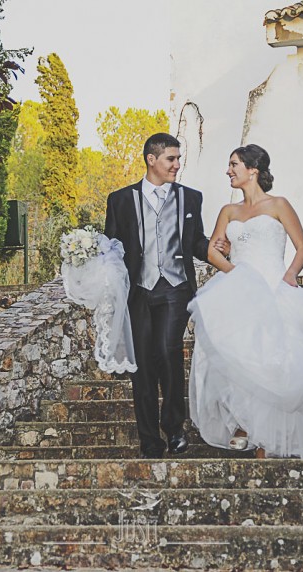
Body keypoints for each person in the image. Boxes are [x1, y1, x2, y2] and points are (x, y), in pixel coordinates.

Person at [188, 144, 303, 459]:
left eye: (233, 164)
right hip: (239, 286)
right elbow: (212, 251)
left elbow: (302, 247)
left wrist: (291, 275)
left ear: (253, 169)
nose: (228, 170)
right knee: (237, 355)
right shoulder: (228, 211)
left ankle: (269, 437)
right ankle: (243, 423)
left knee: (273, 359)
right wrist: (234, 272)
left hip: (274, 284)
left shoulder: (279, 205)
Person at [104, 133, 228, 458]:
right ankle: (149, 440)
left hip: (176, 287)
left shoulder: (191, 198)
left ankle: (174, 428)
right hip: (138, 291)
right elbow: (111, 249)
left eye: (177, 158)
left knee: (167, 349)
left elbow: (196, 241)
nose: (177, 164)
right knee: (142, 364)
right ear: (152, 159)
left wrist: (214, 249)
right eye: (171, 159)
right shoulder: (120, 200)